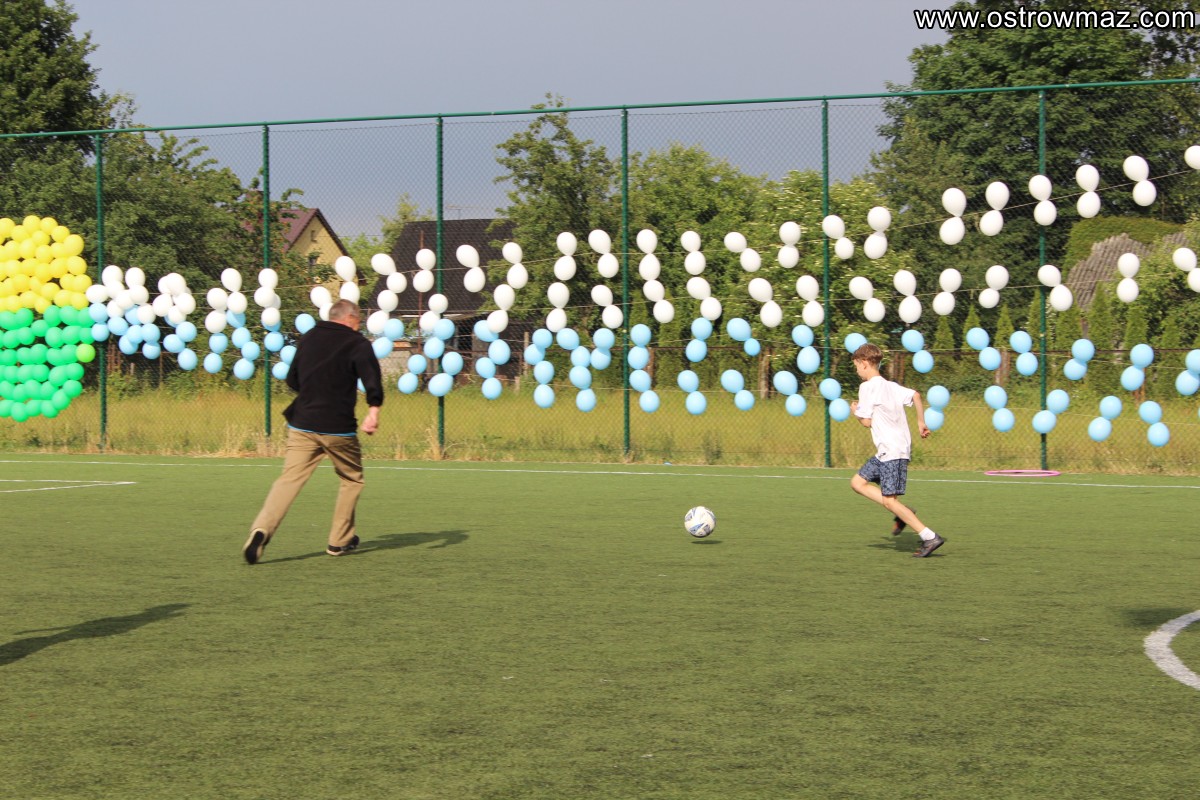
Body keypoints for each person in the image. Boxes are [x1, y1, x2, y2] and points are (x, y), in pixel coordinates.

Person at [243, 299, 383, 564]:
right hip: (338, 427)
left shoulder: (308, 338)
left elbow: (292, 378)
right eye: (359, 321)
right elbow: (372, 379)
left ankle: (261, 530)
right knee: (351, 479)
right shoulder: (358, 344)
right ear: (350, 318)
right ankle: (339, 540)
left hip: (302, 423)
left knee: (289, 480)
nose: (359, 326)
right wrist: (373, 411)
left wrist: (312, 394)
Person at [848, 343, 945, 558]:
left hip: (892, 451)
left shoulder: (867, 388)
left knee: (889, 501)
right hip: (888, 451)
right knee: (857, 483)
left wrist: (855, 411)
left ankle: (929, 536)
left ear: (864, 363)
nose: (857, 370)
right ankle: (904, 512)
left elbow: (866, 422)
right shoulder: (891, 386)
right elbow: (916, 395)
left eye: (856, 366)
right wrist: (921, 422)